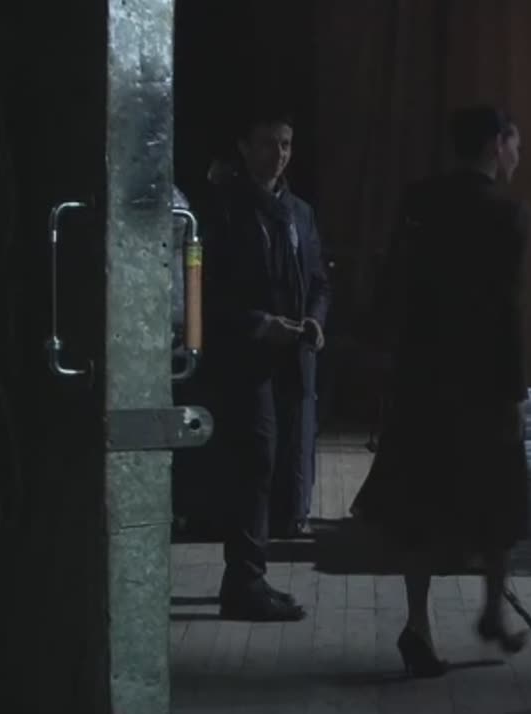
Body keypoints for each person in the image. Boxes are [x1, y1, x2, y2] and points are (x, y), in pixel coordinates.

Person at [350, 104, 531, 676]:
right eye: (515, 143)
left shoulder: (419, 200)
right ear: (496, 144)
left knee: (419, 500)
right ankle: (492, 611)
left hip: (422, 375)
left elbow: (395, 281)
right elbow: (506, 309)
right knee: (500, 495)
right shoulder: (508, 212)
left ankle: (418, 623)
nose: (518, 155)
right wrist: (515, 390)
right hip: (482, 381)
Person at [201, 105, 330, 622]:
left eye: (285, 144)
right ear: (243, 147)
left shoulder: (299, 212)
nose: (278, 154)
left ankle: (251, 574)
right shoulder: (225, 210)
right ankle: (244, 582)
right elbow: (209, 290)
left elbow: (319, 279)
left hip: (292, 356)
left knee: (276, 463)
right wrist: (259, 323)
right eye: (267, 143)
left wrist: (315, 319)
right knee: (253, 462)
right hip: (244, 356)